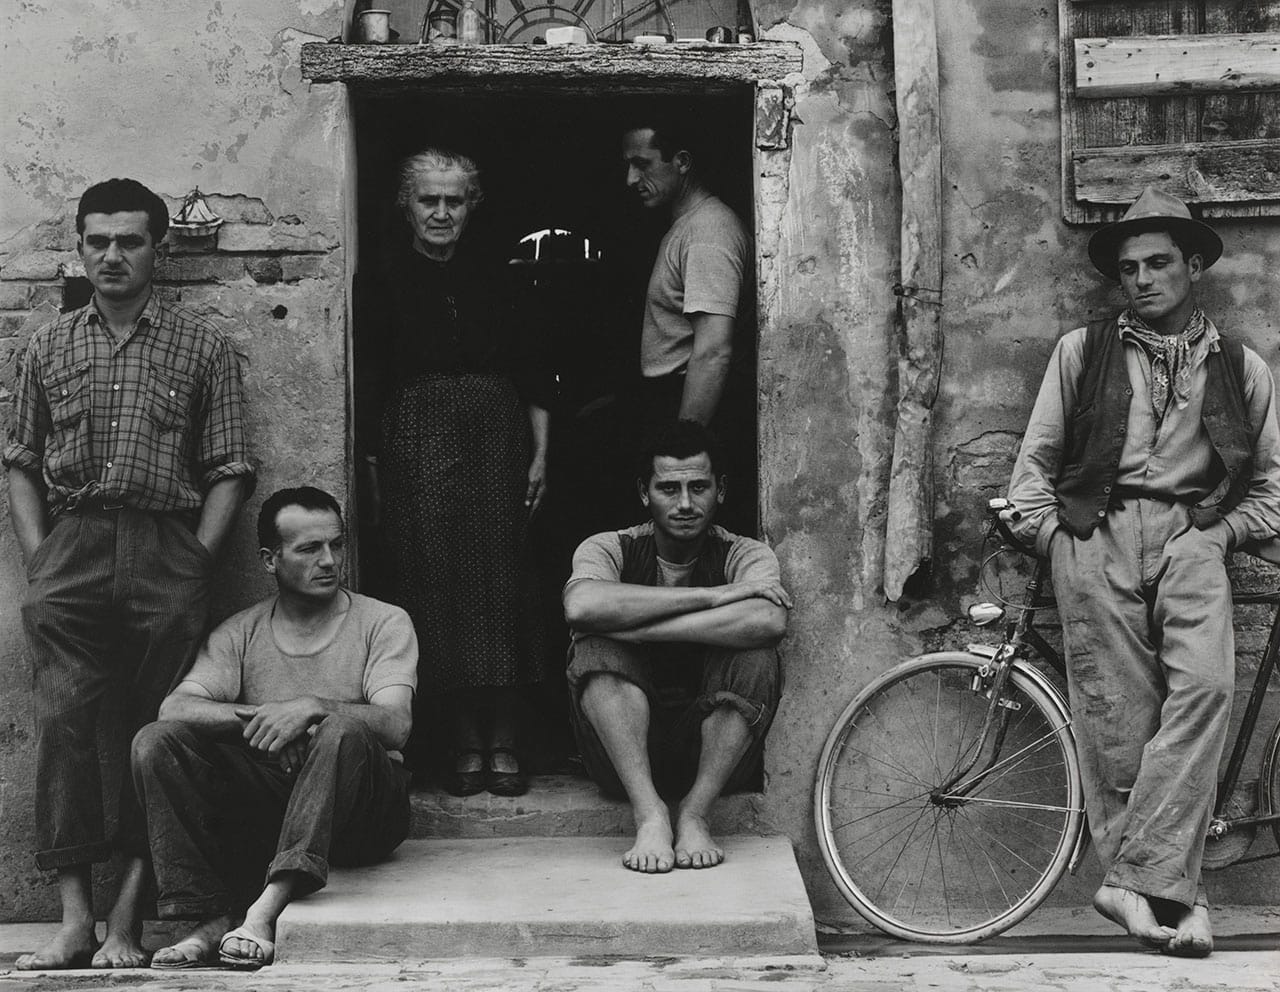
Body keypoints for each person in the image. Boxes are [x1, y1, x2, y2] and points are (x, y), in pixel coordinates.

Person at [1005, 186, 1280, 956]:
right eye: (1129, 268)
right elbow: (1032, 472)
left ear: (1194, 267)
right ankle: (1177, 901)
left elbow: (1274, 490)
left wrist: (1221, 536)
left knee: (1205, 690)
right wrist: (1060, 540)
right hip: (1097, 532)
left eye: (1159, 263)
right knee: (1120, 715)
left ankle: (1136, 883)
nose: (1142, 279)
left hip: (1196, 535)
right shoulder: (1081, 353)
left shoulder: (1240, 366)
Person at [3, 178, 254, 970]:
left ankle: (127, 920)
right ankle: (75, 918)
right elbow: (21, 462)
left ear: (160, 248)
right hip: (71, 550)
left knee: (159, 737)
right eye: (97, 241)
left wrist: (195, 561)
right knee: (67, 729)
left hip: (164, 550)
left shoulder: (201, 345)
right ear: (79, 247)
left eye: (130, 241)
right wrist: (42, 561)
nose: (112, 255)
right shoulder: (45, 345)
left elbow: (230, 467)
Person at [131, 487, 417, 969]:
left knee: (343, 728)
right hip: (273, 806)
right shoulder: (241, 631)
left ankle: (265, 909)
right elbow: (175, 709)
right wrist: (270, 719)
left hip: (365, 815)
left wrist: (309, 708)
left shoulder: (383, 622)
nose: (329, 560)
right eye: (309, 549)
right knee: (155, 743)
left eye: (337, 544)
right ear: (270, 560)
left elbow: (396, 724)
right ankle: (208, 916)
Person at [363, 147, 552, 797]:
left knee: (501, 588)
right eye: (428, 200)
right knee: (436, 585)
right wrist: (374, 470)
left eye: (454, 200)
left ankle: (506, 738)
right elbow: (370, 380)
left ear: (472, 205)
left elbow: (534, 366)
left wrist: (541, 451)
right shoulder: (380, 278)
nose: (441, 213)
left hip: (497, 434)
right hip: (418, 436)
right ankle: (461, 740)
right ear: (405, 206)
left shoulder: (503, 275)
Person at [562, 420, 791, 873]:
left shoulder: (744, 554)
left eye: (698, 487)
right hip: (620, 756)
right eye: (669, 489)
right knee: (595, 650)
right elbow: (583, 606)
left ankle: (694, 814)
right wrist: (711, 597)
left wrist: (641, 626)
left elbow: (768, 619)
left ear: (720, 490)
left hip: (714, 757)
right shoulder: (611, 547)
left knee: (757, 657)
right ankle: (649, 813)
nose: (685, 503)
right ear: (645, 494)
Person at [622, 119, 750, 432]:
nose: (630, 179)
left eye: (642, 164)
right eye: (628, 166)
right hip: (669, 399)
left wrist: (687, 442)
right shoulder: (688, 226)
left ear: (682, 162)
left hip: (686, 403)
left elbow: (714, 352)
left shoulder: (708, 231)